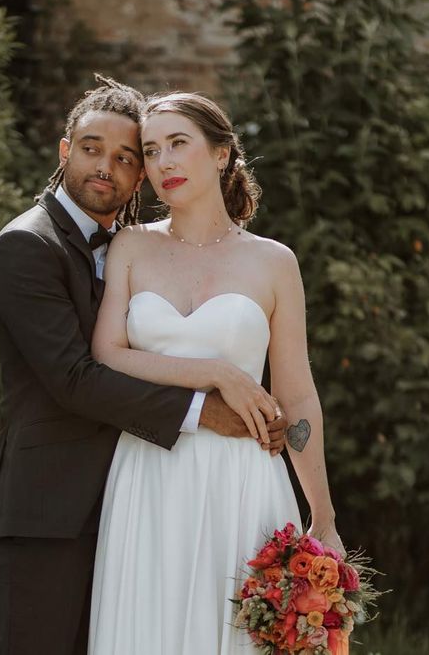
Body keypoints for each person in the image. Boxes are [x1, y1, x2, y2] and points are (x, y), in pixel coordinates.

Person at [0, 76, 288, 655]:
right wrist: (205, 408)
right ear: (65, 150)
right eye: (92, 148)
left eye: (127, 157)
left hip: (131, 501)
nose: (107, 167)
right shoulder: (28, 245)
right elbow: (74, 379)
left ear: (139, 176)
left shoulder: (129, 246)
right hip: (48, 512)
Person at [88, 91, 344, 654]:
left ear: (223, 152)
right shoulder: (130, 246)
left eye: (179, 144)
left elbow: (297, 396)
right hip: (149, 472)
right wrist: (214, 373)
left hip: (242, 478)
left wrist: (321, 516)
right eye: (152, 152)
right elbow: (107, 354)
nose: (164, 164)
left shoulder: (274, 262)